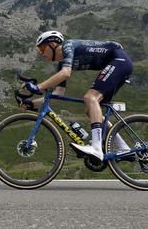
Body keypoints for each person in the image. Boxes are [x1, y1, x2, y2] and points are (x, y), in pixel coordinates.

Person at [20, 30, 133, 161]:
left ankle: (96, 148)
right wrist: (32, 103)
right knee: (90, 110)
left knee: (90, 98)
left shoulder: (68, 46)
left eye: (42, 48)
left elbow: (66, 73)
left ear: (52, 44)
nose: (41, 53)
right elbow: (58, 93)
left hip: (119, 60)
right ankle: (124, 148)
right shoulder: (63, 63)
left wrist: (38, 87)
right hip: (117, 64)